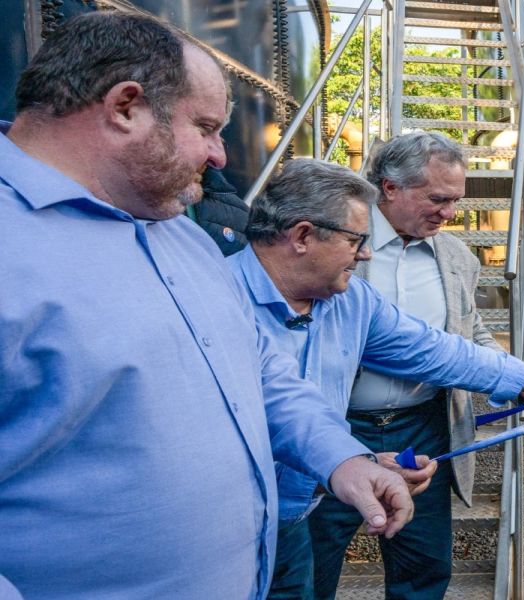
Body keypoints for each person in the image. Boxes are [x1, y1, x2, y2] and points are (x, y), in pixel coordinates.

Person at [0, 12, 423, 599]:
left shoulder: (186, 237)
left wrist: (342, 459)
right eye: (205, 126)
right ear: (126, 107)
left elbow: (260, 372)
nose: (221, 156)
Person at [234, 158, 524, 599]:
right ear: (303, 236)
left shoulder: (352, 301)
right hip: (231, 524)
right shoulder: (215, 301)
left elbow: (436, 349)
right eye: (356, 240)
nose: (366, 253)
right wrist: (351, 460)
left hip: (294, 515)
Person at [306, 131, 505, 600]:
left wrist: (511, 376)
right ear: (389, 188)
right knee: (308, 570)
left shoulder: (456, 255)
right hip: (334, 431)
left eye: (456, 201)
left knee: (424, 570)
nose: (450, 213)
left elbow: (469, 331)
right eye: (438, 198)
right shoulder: (332, 241)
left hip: (423, 435)